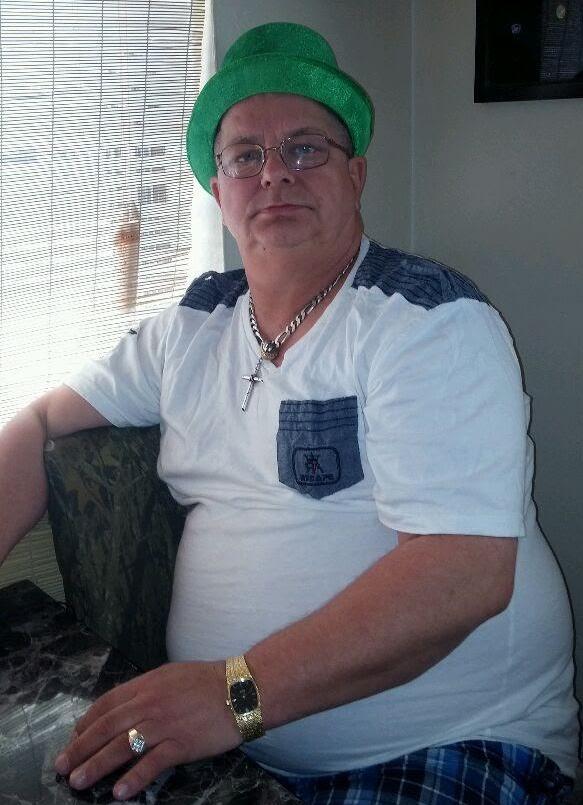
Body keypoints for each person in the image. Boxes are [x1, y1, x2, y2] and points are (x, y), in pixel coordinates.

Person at [0, 21, 579, 804]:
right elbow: (37, 422)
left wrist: (231, 695)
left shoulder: (426, 319)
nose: (274, 172)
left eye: (305, 149)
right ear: (218, 192)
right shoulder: (190, 329)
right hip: (234, 750)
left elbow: (462, 570)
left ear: (355, 175)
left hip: (451, 743)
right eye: (245, 156)